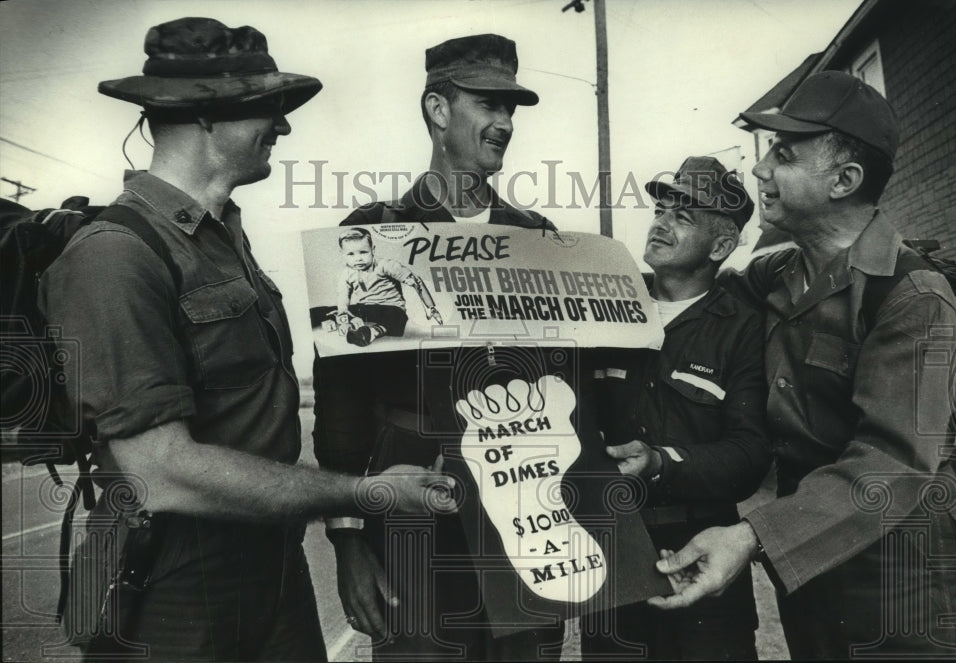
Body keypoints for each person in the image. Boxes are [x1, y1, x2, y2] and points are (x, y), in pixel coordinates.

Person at [40, 17, 455, 661]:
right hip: (173, 590)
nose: (284, 127)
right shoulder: (115, 256)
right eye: (269, 107)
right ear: (206, 114)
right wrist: (360, 493)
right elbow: (161, 474)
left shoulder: (224, 242)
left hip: (271, 569)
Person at [651, 71, 956, 658]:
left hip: (904, 587)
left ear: (844, 180)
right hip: (811, 575)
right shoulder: (776, 274)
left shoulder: (916, 301)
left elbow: (891, 464)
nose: (760, 171)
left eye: (783, 155)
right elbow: (693, 288)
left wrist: (751, 535)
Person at [312, 33, 565, 660]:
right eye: (488, 104)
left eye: (512, 109)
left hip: (521, 505)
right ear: (438, 110)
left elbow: (569, 391)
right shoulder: (372, 235)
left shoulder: (539, 239)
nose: (505, 122)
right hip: (412, 505)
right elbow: (340, 410)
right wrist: (348, 542)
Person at [579, 157, 769, 660]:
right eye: (661, 209)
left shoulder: (744, 327)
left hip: (701, 550)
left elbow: (751, 452)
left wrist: (661, 463)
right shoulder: (606, 308)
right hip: (612, 552)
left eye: (682, 217)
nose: (660, 222)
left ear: (721, 246)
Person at [324, 227, 443, 346]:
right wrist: (343, 311)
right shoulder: (346, 273)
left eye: (363, 252)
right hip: (366, 309)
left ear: (373, 250)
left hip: (390, 309)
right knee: (324, 311)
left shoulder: (385, 265)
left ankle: (371, 332)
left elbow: (416, 281)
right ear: (342, 254)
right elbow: (343, 295)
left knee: (396, 319)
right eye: (350, 254)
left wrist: (430, 307)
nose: (358, 258)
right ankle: (351, 327)